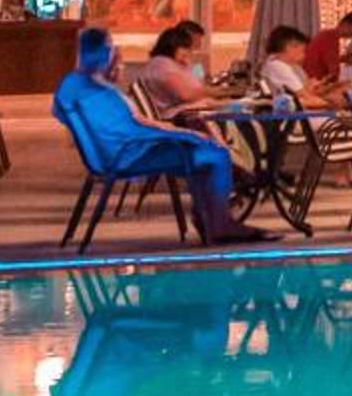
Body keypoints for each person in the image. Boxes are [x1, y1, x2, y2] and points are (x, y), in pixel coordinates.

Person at [53, 27, 264, 242]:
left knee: (202, 150)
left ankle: (210, 219)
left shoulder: (74, 85)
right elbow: (137, 127)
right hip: (128, 155)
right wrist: (181, 134)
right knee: (216, 155)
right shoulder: (100, 91)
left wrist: (180, 133)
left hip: (115, 153)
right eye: (111, 49)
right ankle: (220, 224)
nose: (115, 54)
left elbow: (67, 113)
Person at [134, 22, 214, 119]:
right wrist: (216, 92)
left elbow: (200, 82)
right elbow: (188, 94)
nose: (198, 44)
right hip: (179, 115)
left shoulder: (184, 61)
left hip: (191, 107)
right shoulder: (163, 65)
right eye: (195, 39)